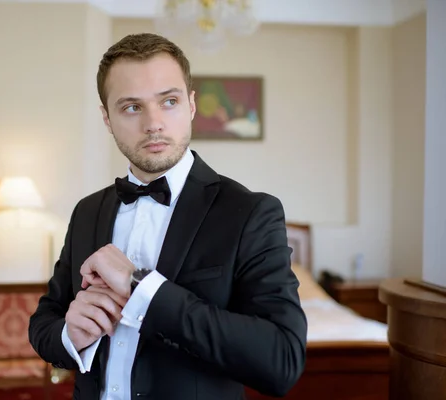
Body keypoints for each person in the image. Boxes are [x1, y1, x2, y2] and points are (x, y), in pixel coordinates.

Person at [29, 32, 307, 400]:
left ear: (191, 105)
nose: (154, 123)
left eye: (169, 102)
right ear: (106, 117)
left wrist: (141, 287)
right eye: (132, 107)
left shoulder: (251, 212)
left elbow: (281, 361)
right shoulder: (86, 211)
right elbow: (45, 322)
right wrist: (69, 334)